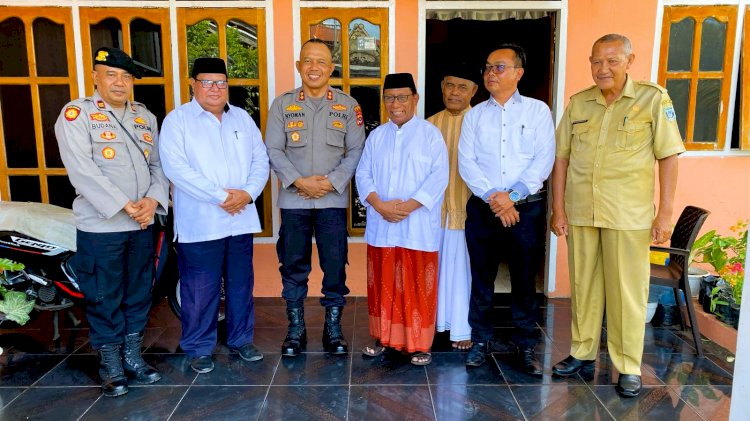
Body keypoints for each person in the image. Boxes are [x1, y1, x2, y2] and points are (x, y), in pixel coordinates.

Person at [550, 34, 684, 398]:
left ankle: (628, 365)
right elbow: (561, 157)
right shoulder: (579, 104)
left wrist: (666, 213)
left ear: (629, 60)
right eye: (596, 61)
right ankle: (582, 352)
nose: (603, 68)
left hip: (628, 214)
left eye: (611, 61)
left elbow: (668, 156)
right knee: (584, 285)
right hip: (581, 211)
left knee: (627, 291)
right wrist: (558, 208)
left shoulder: (652, 99)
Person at [54, 47, 169, 397]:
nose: (119, 82)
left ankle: (133, 356)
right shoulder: (77, 115)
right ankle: (110, 362)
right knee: (104, 296)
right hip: (102, 227)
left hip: (142, 225)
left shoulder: (144, 117)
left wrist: (152, 201)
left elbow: (158, 167)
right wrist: (124, 205)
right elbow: (81, 171)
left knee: (138, 293)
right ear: (95, 76)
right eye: (111, 74)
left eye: (126, 76)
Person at [159, 58, 269, 374]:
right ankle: (199, 347)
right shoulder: (177, 120)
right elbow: (176, 169)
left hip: (240, 219)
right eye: (207, 82)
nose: (215, 88)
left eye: (220, 82)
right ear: (194, 84)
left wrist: (247, 193)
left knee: (240, 284)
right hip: (200, 223)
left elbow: (260, 161)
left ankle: (241, 340)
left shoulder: (243, 119)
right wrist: (221, 197)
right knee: (199, 288)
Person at [458, 44, 555, 374]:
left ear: (518, 73)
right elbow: (466, 163)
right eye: (487, 67)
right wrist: (495, 200)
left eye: (498, 67)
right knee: (481, 278)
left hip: (525, 210)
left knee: (524, 280)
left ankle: (525, 345)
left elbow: (543, 160)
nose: (490, 73)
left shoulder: (537, 111)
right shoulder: (474, 116)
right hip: (484, 209)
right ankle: (480, 341)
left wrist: (511, 197)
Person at [266, 39, 365, 357]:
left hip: (332, 202)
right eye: (307, 61)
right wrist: (298, 181)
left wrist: (332, 182)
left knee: (334, 266)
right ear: (298, 66)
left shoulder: (348, 106)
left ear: (331, 68)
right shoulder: (282, 105)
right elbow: (273, 149)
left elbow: (357, 151)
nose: (314, 67)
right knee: (293, 266)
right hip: (294, 203)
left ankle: (333, 328)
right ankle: (295, 329)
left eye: (321, 62)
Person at [356, 72, 449, 366]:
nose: (395, 104)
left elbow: (439, 177)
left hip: (417, 227)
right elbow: (362, 175)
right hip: (382, 225)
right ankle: (384, 338)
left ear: (415, 99)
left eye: (402, 97)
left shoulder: (430, 134)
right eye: (389, 98)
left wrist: (406, 207)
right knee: (383, 283)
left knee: (417, 285)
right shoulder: (376, 136)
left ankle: (419, 344)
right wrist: (381, 206)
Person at [426, 64, 478, 351]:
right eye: (449, 85)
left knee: (464, 273)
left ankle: (462, 328)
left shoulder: (482, 120)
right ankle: (433, 325)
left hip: (469, 213)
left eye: (462, 86)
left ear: (473, 91)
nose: (454, 92)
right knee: (435, 270)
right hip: (433, 214)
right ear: (442, 87)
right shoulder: (428, 124)